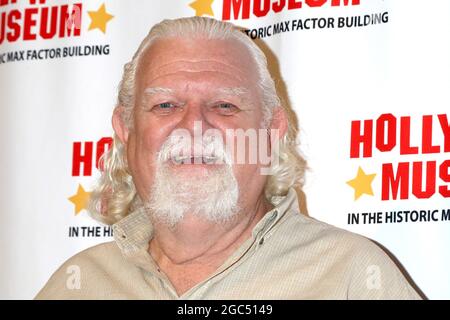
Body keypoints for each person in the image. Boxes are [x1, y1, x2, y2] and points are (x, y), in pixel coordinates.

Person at [36, 16, 422, 299]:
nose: (193, 125)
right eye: (166, 104)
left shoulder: (352, 276)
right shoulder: (78, 284)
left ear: (272, 131)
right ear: (125, 128)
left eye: (224, 105)